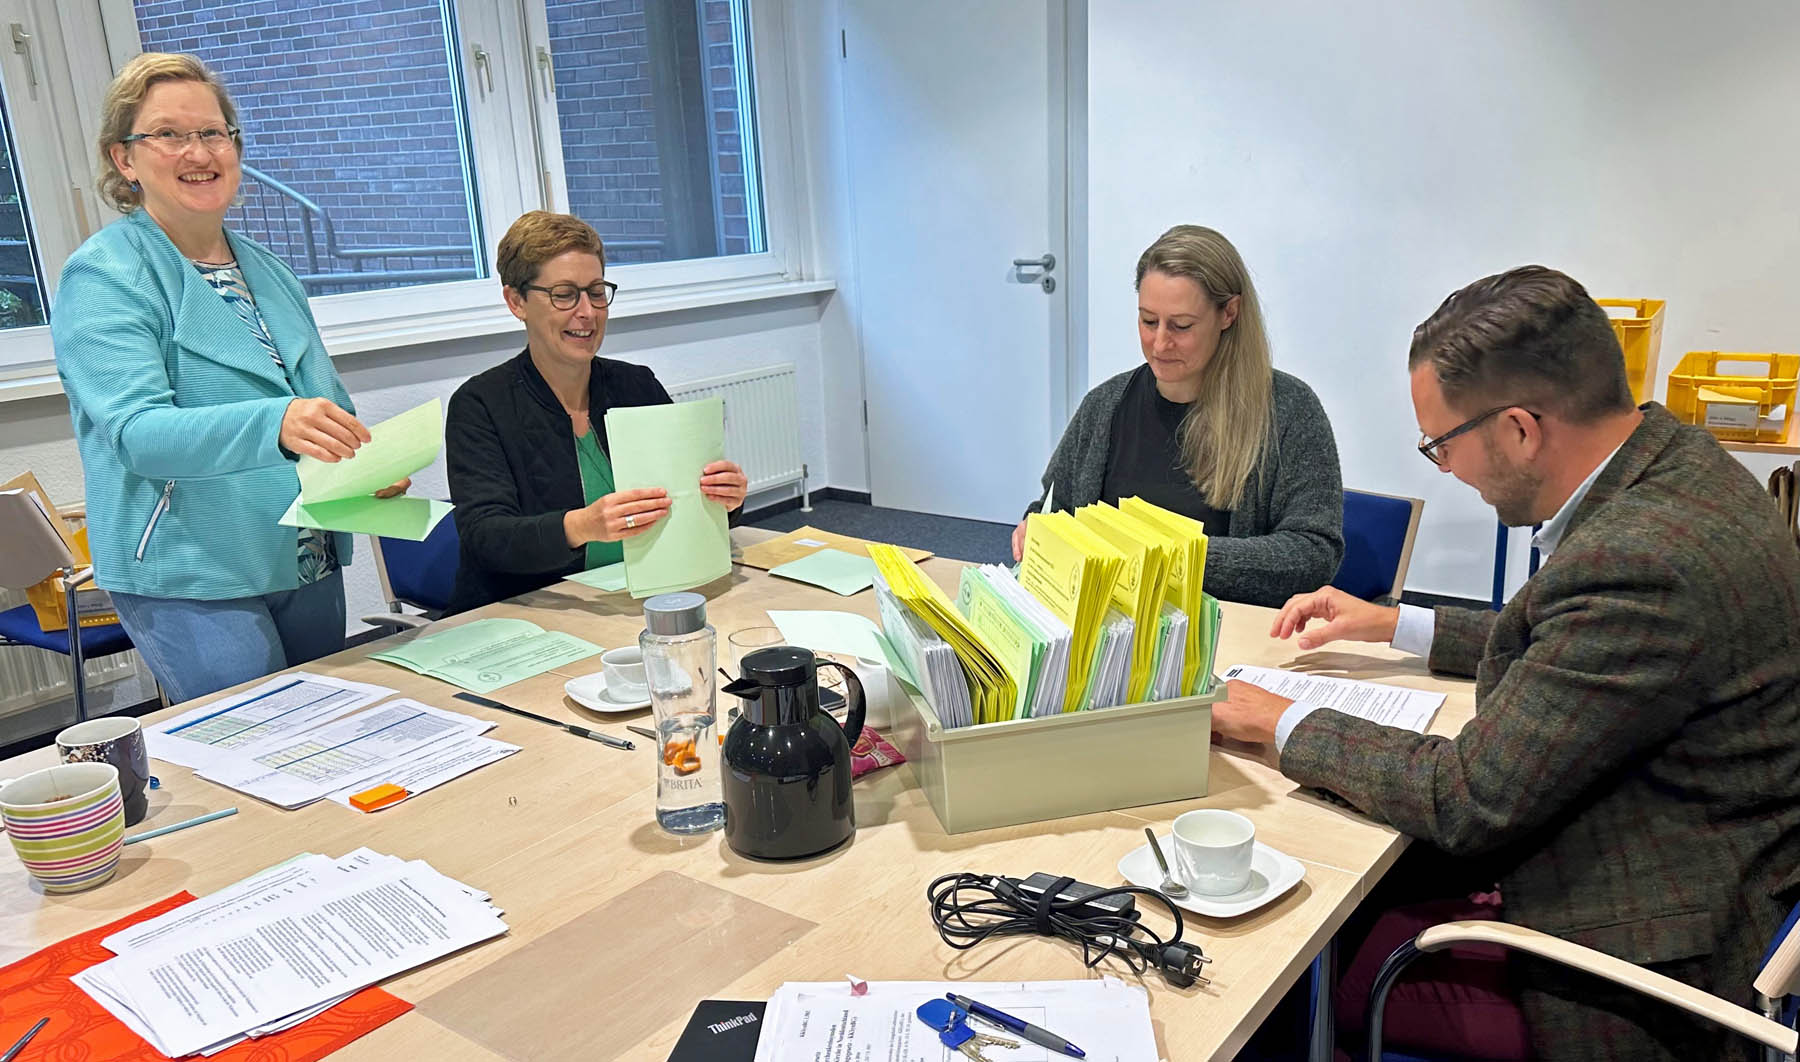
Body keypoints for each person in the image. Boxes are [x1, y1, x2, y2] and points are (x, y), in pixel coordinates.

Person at [1213, 266, 1800, 1060]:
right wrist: (1397, 623)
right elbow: (1578, 643)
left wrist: (1284, 719)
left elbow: (1466, 798)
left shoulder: (1641, 560)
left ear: (1521, 429)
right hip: (1694, 855)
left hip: (1646, 954)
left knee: (1298, 973)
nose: (1446, 469)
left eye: (1441, 445)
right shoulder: (1676, 466)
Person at [52, 53, 404, 704]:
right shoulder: (104, 275)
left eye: (213, 132)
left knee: (326, 739)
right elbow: (138, 434)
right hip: (192, 569)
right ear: (124, 159)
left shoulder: (268, 269)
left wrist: (365, 465)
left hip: (304, 553)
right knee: (256, 746)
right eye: (168, 134)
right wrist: (279, 424)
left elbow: (322, 401)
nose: (199, 152)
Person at [1012, 224, 1343, 607]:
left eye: (1181, 326)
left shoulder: (1290, 411)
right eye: (1148, 321)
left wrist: (1172, 560)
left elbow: (1314, 554)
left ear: (1229, 313)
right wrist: (1034, 527)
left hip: (1228, 628)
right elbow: (1053, 506)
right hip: (1110, 626)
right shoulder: (1103, 406)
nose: (1160, 343)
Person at [445, 211, 748, 613]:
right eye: (564, 294)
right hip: (530, 608)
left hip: (641, 594)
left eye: (596, 291)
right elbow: (486, 537)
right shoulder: (480, 404)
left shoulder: (636, 385)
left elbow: (687, 505)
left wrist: (726, 498)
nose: (587, 311)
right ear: (516, 301)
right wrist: (582, 526)